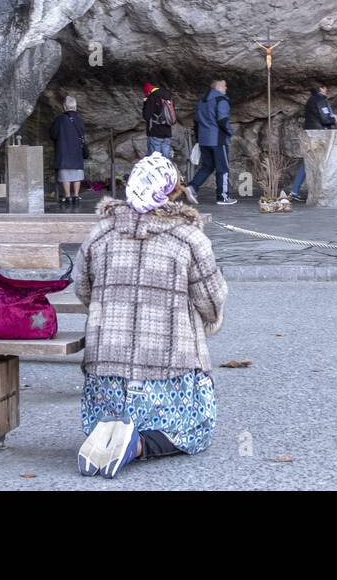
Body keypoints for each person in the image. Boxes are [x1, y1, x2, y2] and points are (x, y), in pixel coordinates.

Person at [73, 153, 227, 478]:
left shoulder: (100, 235)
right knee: (197, 430)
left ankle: (107, 432)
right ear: (171, 193)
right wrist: (205, 323)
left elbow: (83, 290)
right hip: (168, 372)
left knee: (108, 412)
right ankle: (137, 444)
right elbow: (211, 301)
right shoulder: (189, 239)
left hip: (106, 375)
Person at [185, 78, 237, 206]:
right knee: (223, 168)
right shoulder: (221, 100)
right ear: (218, 87)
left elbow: (196, 122)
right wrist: (229, 132)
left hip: (204, 140)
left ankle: (192, 187)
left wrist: (198, 139)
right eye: (225, 86)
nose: (226, 88)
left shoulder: (202, 102)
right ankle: (222, 197)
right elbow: (223, 120)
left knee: (208, 166)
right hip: (218, 139)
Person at [289, 84, 337, 202]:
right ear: (321, 88)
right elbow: (325, 119)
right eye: (326, 88)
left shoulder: (311, 100)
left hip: (310, 132)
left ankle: (295, 190)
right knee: (320, 161)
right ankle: (321, 192)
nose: (327, 90)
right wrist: (334, 119)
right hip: (318, 133)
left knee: (307, 161)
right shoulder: (320, 100)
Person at [49, 96, 88, 206]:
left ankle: (67, 197)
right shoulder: (80, 120)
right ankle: (76, 195)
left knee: (65, 174)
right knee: (77, 173)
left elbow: (53, 135)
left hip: (63, 151)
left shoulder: (59, 119)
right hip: (77, 152)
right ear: (75, 107)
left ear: (65, 106)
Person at [142, 83, 177, 159]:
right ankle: (167, 170)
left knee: (156, 159)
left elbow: (146, 116)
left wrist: (145, 103)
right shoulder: (168, 96)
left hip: (155, 132)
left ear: (148, 92)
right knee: (166, 158)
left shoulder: (152, 97)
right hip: (167, 131)